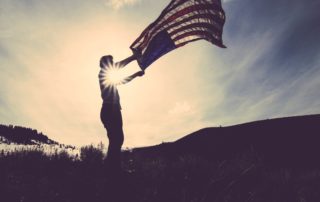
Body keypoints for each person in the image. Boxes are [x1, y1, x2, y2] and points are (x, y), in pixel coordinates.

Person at [99, 55, 144, 172]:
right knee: (116, 139)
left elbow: (123, 81)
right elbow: (120, 65)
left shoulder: (110, 80)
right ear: (105, 64)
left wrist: (135, 75)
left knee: (117, 139)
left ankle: (112, 168)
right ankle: (113, 170)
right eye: (111, 63)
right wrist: (134, 57)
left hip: (112, 110)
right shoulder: (102, 73)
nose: (113, 65)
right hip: (109, 110)